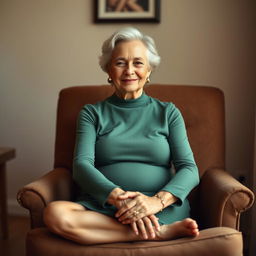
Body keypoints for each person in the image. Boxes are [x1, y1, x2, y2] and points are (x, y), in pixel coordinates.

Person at [43, 27, 200, 245]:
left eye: (138, 62)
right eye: (120, 63)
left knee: (65, 219)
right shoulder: (91, 113)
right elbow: (81, 165)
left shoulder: (168, 113)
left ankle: (151, 225)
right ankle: (160, 232)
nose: (129, 70)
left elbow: (190, 169)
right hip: (104, 205)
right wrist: (117, 198)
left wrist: (156, 202)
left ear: (149, 70)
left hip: (159, 206)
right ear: (108, 69)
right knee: (54, 214)